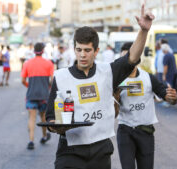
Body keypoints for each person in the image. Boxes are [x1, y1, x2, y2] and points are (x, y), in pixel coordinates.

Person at [45, 4, 154, 169]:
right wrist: (56, 127)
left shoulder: (108, 71)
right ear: (74, 49)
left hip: (100, 152)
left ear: (96, 51)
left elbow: (132, 57)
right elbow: (50, 117)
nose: (82, 54)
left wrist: (144, 31)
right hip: (69, 152)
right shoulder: (60, 77)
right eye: (79, 49)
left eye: (87, 50)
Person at [115, 43, 177, 169]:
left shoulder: (148, 78)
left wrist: (173, 98)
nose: (128, 63)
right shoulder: (116, 80)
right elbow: (113, 113)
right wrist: (115, 95)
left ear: (137, 59)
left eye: (131, 58)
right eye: (124, 59)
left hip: (145, 131)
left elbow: (167, 96)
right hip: (125, 131)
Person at [21, 43, 54, 150]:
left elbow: (23, 80)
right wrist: (47, 86)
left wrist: (29, 86)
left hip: (31, 94)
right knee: (43, 117)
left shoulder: (27, 63)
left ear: (34, 51)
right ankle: (44, 136)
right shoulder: (49, 63)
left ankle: (31, 141)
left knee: (32, 118)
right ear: (43, 51)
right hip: (44, 95)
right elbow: (52, 80)